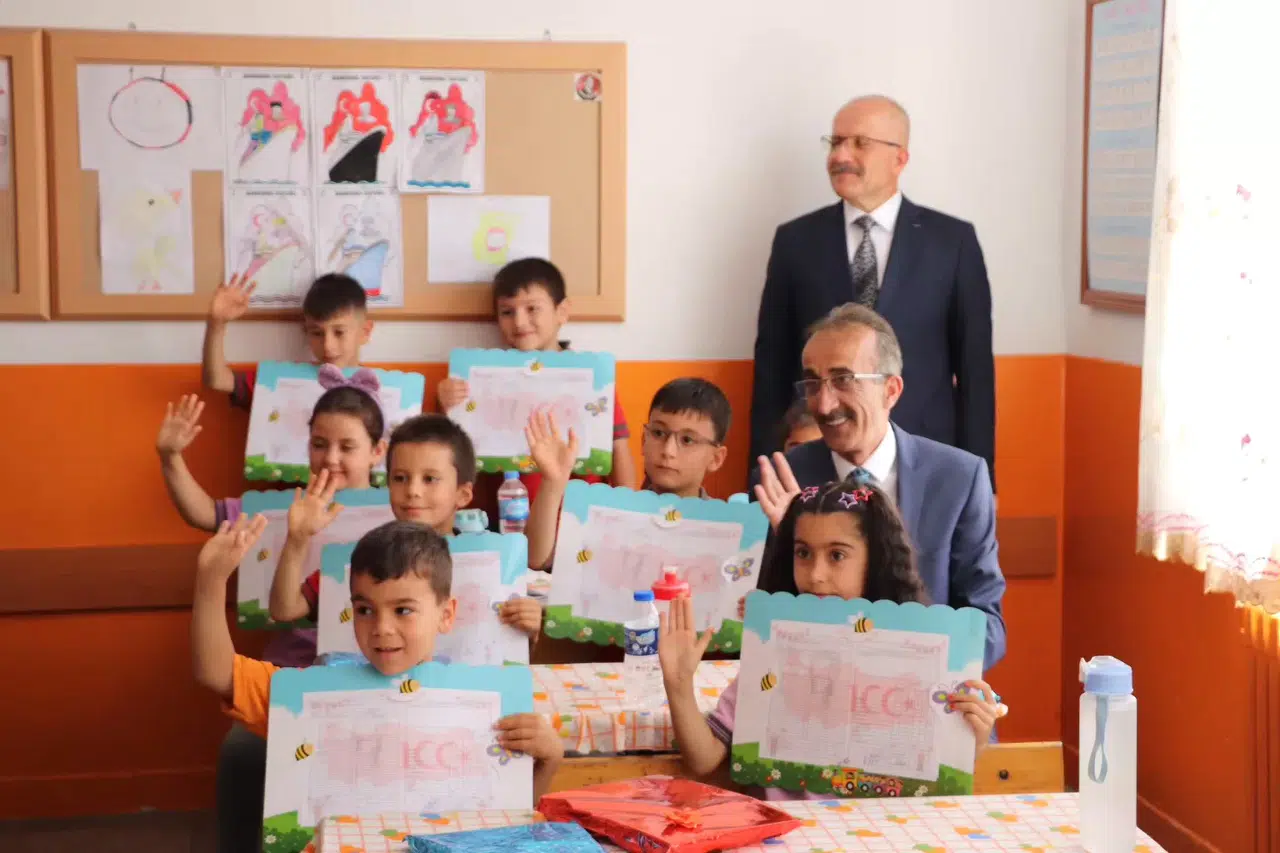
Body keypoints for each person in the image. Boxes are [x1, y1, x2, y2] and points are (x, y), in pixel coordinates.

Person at [661, 479, 1007, 795]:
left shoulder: (920, 654)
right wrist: (678, 685)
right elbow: (705, 759)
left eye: (837, 555)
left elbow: (940, 779)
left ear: (875, 560)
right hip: (789, 832)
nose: (816, 574)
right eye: (803, 553)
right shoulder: (774, 649)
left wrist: (970, 739)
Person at [156, 377, 386, 853]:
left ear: (377, 452)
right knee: (243, 752)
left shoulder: (399, 511)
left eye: (347, 446)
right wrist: (171, 458)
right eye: (319, 444)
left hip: (375, 673)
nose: (331, 458)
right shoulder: (280, 509)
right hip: (290, 676)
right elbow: (204, 513)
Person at [192, 517, 564, 806]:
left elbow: (508, 815)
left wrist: (549, 759)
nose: (382, 628)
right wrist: (210, 582)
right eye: (365, 610)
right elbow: (216, 673)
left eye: (403, 610)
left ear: (446, 614)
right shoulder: (316, 691)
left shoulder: (482, 703)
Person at [749, 95, 995, 489]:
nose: (840, 155)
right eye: (835, 142)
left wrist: (984, 482)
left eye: (859, 143)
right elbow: (772, 369)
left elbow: (975, 373)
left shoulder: (952, 243)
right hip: (819, 457)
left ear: (900, 158)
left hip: (924, 461)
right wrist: (760, 477)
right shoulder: (796, 241)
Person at [753, 303, 1006, 670]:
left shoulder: (958, 479)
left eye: (843, 380)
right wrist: (791, 540)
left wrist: (907, 666)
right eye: (813, 383)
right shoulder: (783, 479)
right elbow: (759, 623)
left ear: (891, 390)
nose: (823, 404)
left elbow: (986, 625)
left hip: (926, 688)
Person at [269, 414, 543, 639]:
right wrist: (297, 539)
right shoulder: (364, 556)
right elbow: (284, 609)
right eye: (400, 478)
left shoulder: (490, 563)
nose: (412, 491)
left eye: (430, 479)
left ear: (462, 494)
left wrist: (529, 625)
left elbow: (511, 646)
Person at [437, 258, 637, 524]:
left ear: (562, 312)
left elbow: (619, 450)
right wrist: (448, 408)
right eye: (507, 312)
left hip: (579, 524)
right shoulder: (486, 381)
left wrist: (625, 517)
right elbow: (452, 453)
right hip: (509, 524)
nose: (519, 322)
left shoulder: (591, 380)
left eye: (532, 308)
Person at [522, 377, 732, 569]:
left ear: (716, 458)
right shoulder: (612, 514)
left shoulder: (726, 531)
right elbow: (537, 559)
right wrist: (552, 481)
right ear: (643, 440)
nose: (668, 451)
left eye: (687, 440)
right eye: (658, 433)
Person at [203, 272, 373, 410]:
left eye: (339, 332)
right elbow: (217, 380)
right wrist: (216, 324)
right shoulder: (283, 379)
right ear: (306, 332)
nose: (328, 346)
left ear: (364, 332)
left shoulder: (381, 387)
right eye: (317, 333)